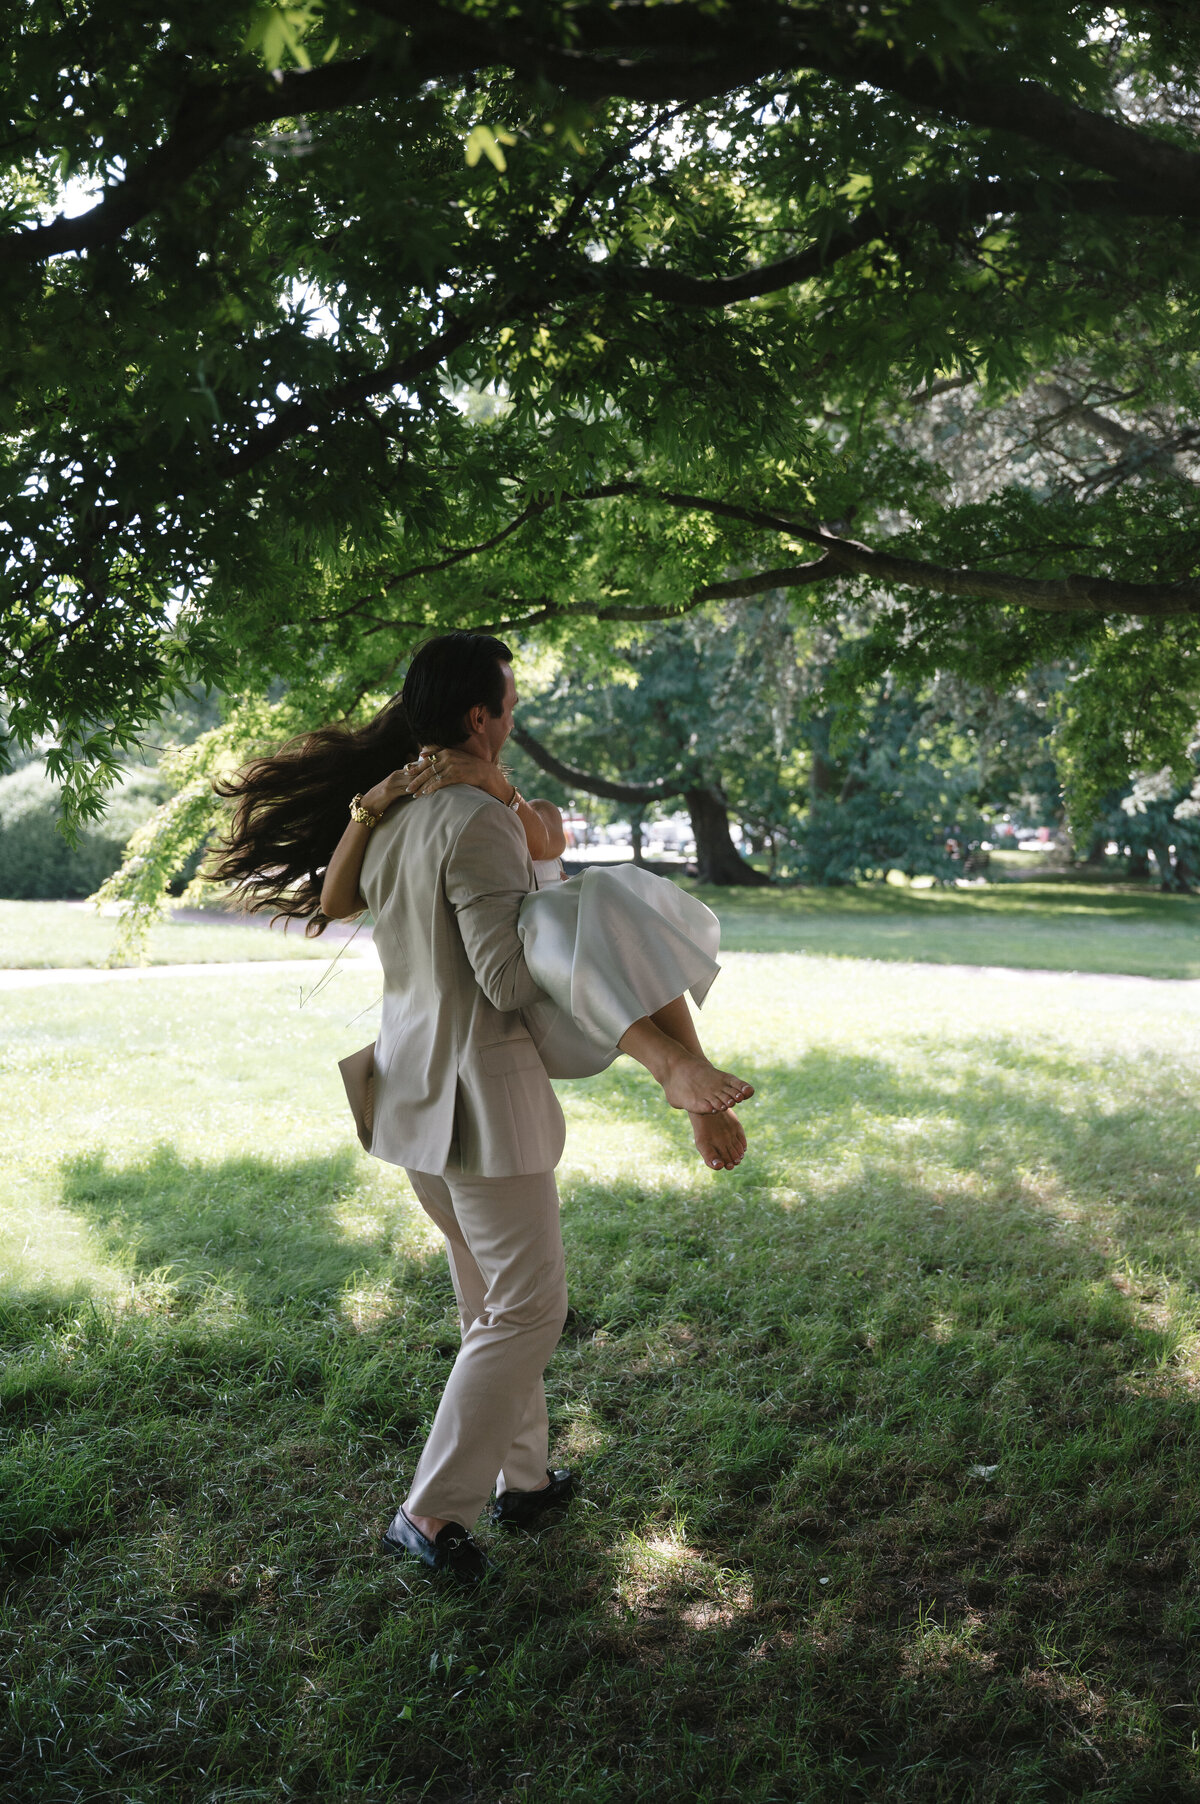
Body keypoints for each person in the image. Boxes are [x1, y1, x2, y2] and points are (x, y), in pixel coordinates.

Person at [210, 631, 752, 1584]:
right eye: (510, 705)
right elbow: (507, 979)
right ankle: (431, 1515)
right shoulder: (473, 819)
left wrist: (389, 808)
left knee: (489, 1308)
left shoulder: (399, 816)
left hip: (414, 1101)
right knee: (530, 1313)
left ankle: (526, 1481)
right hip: (481, 1105)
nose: (515, 719)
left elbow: (338, 901)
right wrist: (545, 869)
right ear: (480, 716)